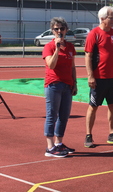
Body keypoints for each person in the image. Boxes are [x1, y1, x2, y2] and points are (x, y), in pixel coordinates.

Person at [84, 6, 113, 148]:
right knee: (93, 106)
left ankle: (112, 134)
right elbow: (88, 56)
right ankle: (88, 135)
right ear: (102, 19)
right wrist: (90, 76)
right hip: (98, 78)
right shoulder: (93, 34)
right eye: (111, 18)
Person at [43, 17, 78, 157]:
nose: (59, 31)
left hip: (67, 85)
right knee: (52, 115)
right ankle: (50, 147)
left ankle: (59, 142)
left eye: (61, 29)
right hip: (54, 84)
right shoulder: (49, 46)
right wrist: (57, 49)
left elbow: (73, 67)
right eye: (56, 29)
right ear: (52, 31)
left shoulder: (70, 47)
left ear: (66, 30)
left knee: (64, 116)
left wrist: (74, 83)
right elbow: (51, 64)